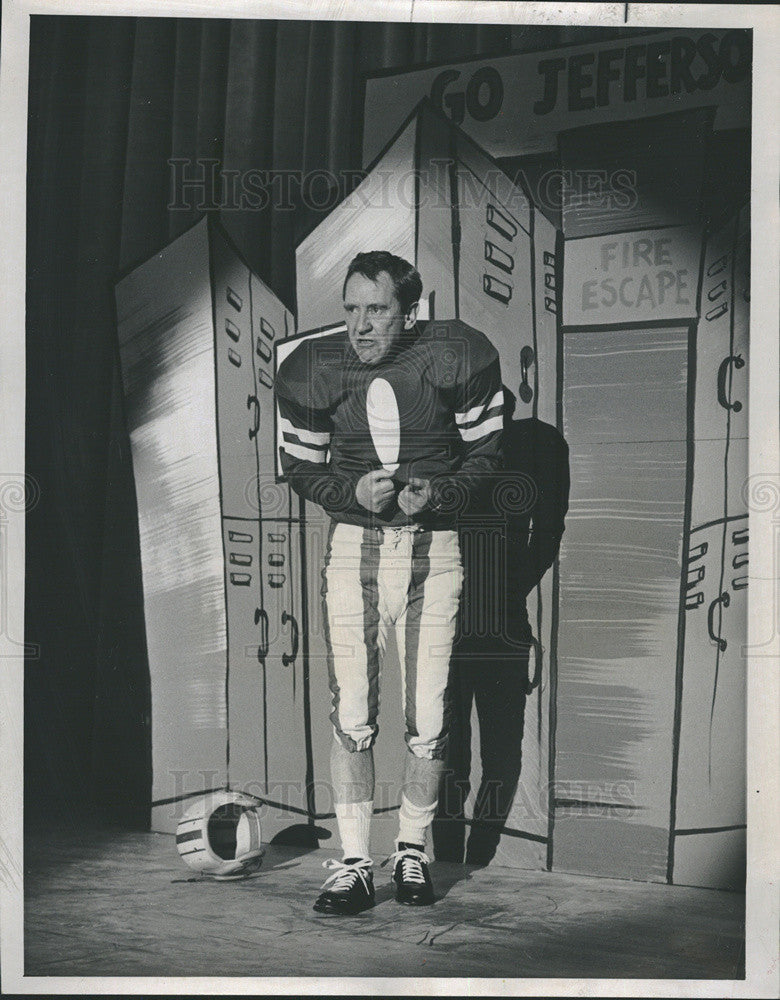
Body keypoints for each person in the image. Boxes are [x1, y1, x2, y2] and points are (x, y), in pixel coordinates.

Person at [275, 250, 503, 914]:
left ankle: (410, 850)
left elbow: (487, 455)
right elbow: (301, 467)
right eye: (350, 309)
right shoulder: (315, 369)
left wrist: (438, 491)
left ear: (411, 312)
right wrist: (350, 489)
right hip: (354, 553)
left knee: (429, 716)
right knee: (352, 715)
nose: (360, 326)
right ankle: (352, 863)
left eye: (376, 310)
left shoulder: (455, 355)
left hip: (435, 552)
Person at [432, 391, 569, 865]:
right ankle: (452, 860)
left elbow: (549, 532)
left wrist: (508, 590)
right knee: (449, 757)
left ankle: (475, 859)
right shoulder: (443, 446)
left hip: (494, 622)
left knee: (498, 756)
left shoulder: (536, 443)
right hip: (446, 621)